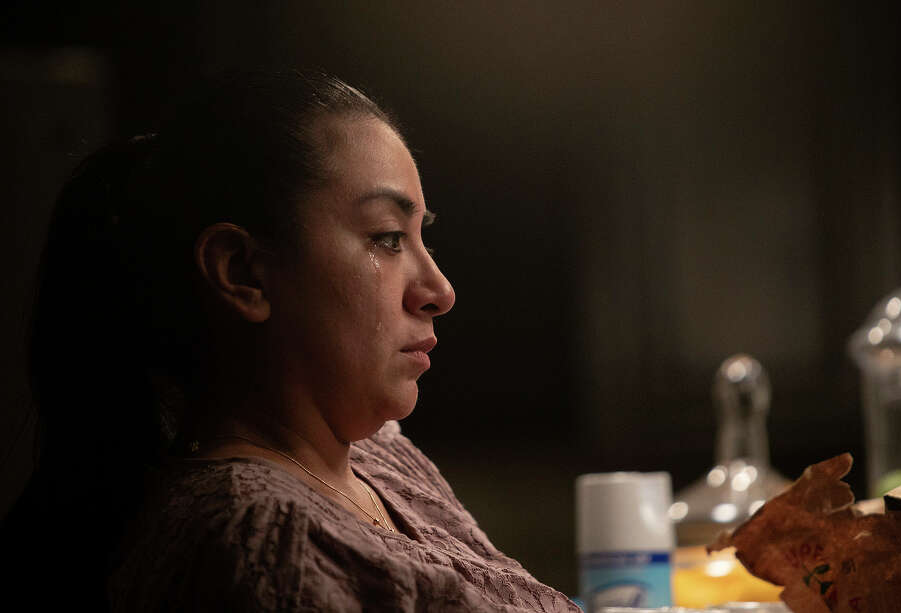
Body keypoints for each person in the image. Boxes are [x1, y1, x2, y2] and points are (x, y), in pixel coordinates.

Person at [2, 70, 579, 612]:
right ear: (243, 273)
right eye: (385, 238)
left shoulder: (377, 458)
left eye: (418, 237)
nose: (439, 290)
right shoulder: (269, 546)